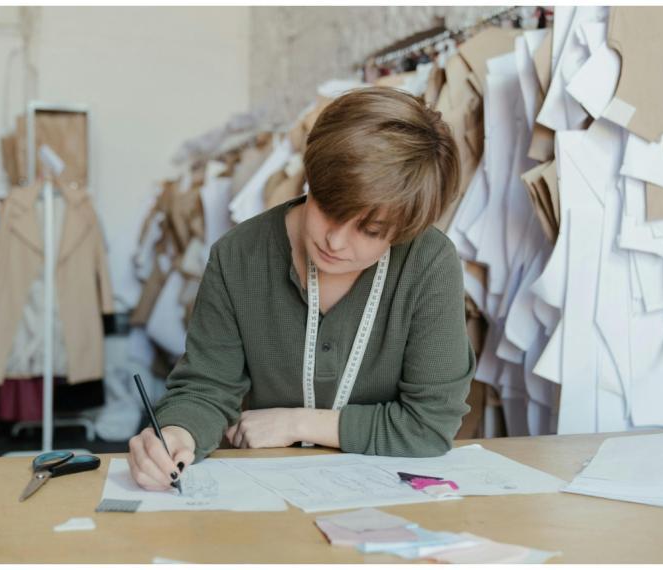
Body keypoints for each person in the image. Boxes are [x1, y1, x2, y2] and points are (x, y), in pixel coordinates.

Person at [128, 86, 476, 492]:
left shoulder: (429, 263)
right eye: (328, 208)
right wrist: (177, 433)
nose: (336, 241)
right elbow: (206, 387)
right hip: (266, 492)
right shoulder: (238, 256)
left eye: (370, 230)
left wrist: (296, 423)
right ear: (310, 179)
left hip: (388, 498)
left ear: (404, 230)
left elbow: (430, 425)